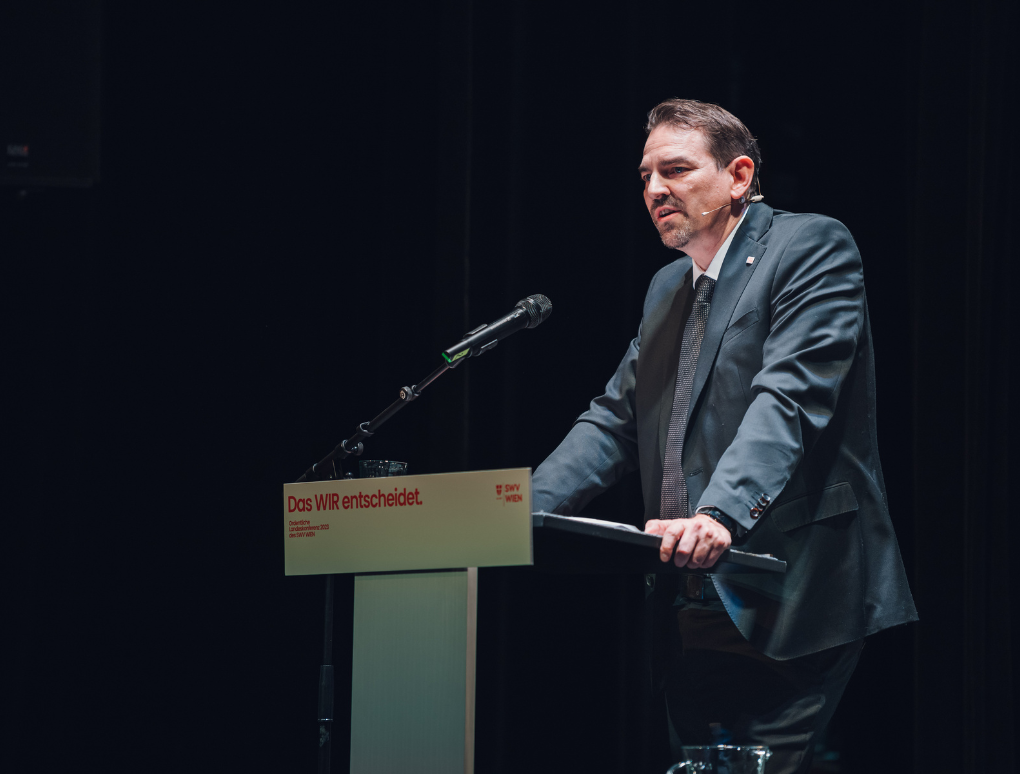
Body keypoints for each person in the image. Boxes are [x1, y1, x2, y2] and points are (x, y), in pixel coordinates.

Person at [531, 99, 917, 774]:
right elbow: (614, 420)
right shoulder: (667, 287)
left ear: (738, 176)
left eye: (676, 170)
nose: (655, 189)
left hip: (792, 590)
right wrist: (514, 511)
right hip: (689, 601)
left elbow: (789, 398)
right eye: (646, 176)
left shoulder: (810, 247)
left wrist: (720, 513)